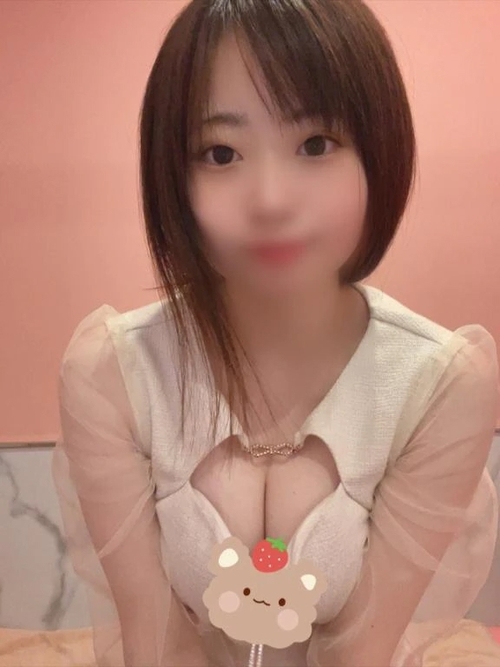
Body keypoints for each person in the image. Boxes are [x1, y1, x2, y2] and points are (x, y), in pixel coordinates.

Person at [52, 1, 500, 666]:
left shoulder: (440, 384)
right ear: (172, 175)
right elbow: (156, 643)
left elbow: (361, 652)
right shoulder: (112, 373)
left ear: (379, 150)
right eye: (221, 153)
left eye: (315, 145)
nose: (270, 199)